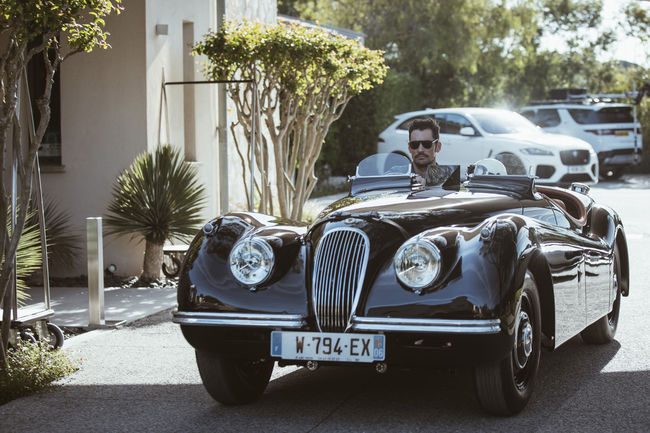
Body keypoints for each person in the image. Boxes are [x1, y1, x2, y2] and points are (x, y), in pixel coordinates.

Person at [407, 117, 454, 186]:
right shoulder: (396, 176)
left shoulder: (449, 180)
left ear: (438, 147)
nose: (420, 150)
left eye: (427, 144)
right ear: (409, 148)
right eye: (414, 144)